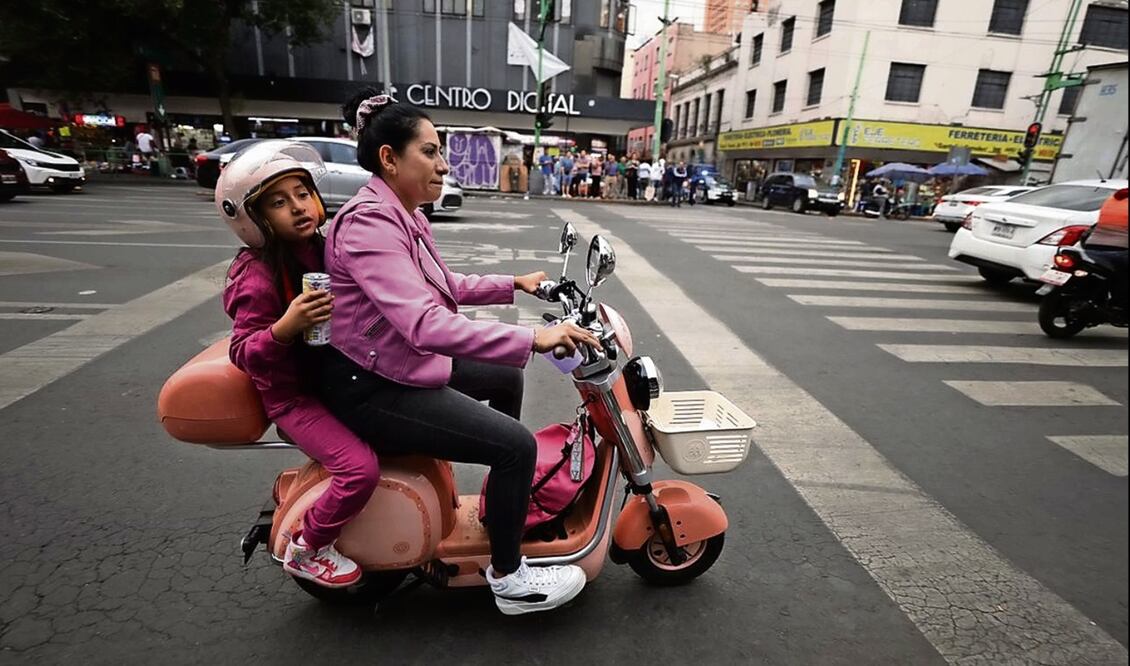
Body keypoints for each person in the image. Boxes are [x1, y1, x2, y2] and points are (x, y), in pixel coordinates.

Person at [318, 89, 602, 615]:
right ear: (389, 158)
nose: (445, 165)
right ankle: (510, 579)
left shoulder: (404, 214)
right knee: (516, 445)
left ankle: (504, 503)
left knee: (507, 377)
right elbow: (424, 324)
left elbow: (444, 286)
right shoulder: (369, 224)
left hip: (397, 363)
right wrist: (531, 337)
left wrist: (514, 283)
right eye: (430, 152)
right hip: (374, 386)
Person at [215, 141, 381, 589]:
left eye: (302, 194)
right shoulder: (257, 275)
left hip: (336, 377)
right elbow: (242, 351)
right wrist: (285, 327)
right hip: (294, 399)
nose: (297, 207)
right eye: (277, 202)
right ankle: (307, 548)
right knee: (359, 470)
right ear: (252, 219)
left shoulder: (322, 249)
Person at [1083, 189, 1129, 308]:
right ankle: (1119, 304)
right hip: (1118, 250)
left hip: (1091, 246)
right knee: (1124, 277)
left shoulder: (1113, 198)